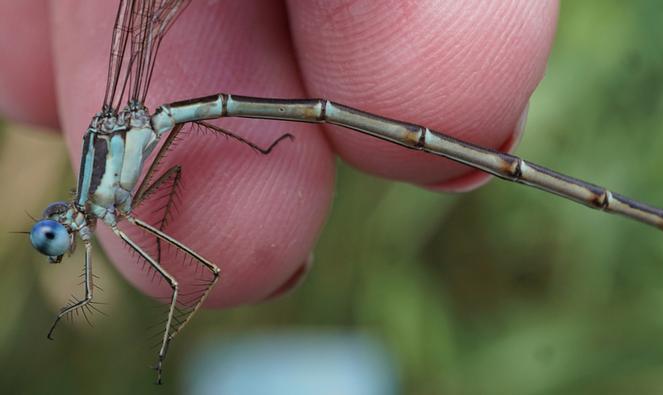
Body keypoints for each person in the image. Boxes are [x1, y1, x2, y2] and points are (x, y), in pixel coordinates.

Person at [0, 0, 558, 306]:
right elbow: (162, 186)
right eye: (55, 237)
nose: (63, 237)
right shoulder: (103, 212)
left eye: (55, 234)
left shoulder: (99, 202)